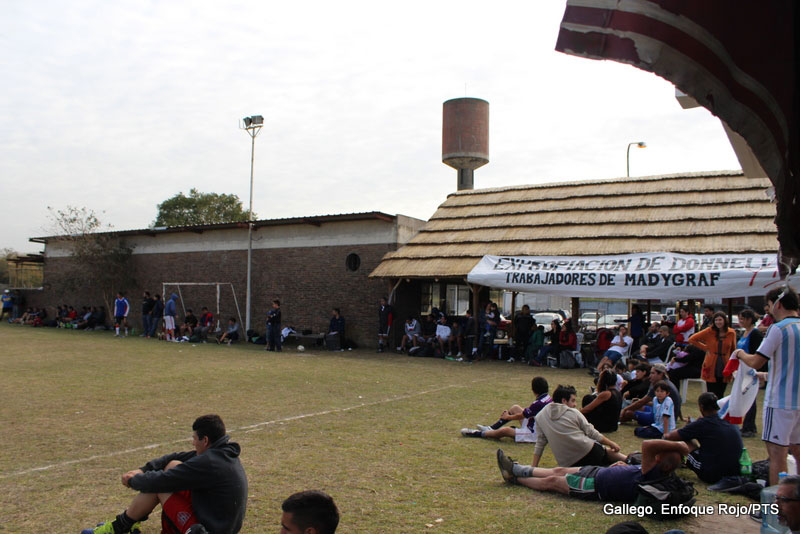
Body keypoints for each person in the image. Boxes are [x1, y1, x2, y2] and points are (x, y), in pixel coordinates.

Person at [80, 414, 247, 534]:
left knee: (160, 486)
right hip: (217, 521)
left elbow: (161, 481)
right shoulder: (220, 452)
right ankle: (126, 524)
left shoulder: (209, 463)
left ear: (205, 440)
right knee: (172, 465)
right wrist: (144, 470)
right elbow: (175, 457)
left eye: (194, 438)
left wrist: (133, 481)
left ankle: (119, 527)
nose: (192, 442)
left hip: (208, 529)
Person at [733, 285, 800, 486]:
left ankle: (777, 507)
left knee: (777, 455)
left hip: (780, 403)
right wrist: (768, 375)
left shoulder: (778, 329)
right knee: (797, 452)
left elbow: (755, 361)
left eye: (769, 305)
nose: (768, 310)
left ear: (777, 304)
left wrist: (739, 353)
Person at [496, 439, 689, 503]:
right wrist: (626, 467)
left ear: (659, 460)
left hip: (595, 486)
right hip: (598, 472)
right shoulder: (657, 470)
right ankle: (516, 468)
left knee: (553, 482)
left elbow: (648, 444)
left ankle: (514, 478)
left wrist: (680, 446)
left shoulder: (653, 472)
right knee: (559, 470)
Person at [531, 384, 626, 467]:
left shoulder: (540, 416)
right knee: (606, 452)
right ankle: (630, 460)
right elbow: (592, 433)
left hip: (568, 464)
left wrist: (533, 467)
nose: (575, 404)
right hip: (591, 452)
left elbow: (540, 443)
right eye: (573, 401)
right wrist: (611, 443)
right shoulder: (573, 412)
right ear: (564, 401)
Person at [663, 391, 743, 483]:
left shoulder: (703, 423)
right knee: (690, 440)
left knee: (682, 446)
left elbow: (670, 436)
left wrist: (689, 427)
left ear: (701, 407)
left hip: (712, 474)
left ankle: (681, 461)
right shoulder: (728, 419)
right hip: (735, 470)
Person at [461, 376, 552, 441]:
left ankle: (476, 433)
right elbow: (530, 412)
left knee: (505, 430)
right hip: (536, 426)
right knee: (515, 408)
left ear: (534, 390)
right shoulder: (548, 398)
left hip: (533, 434)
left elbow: (522, 415)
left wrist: (507, 417)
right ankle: (491, 428)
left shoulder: (538, 403)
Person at [687, 311, 736, 398]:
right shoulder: (709, 331)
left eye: (720, 320)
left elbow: (733, 349)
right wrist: (705, 348)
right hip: (711, 363)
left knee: (721, 391)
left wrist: (733, 365)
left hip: (724, 364)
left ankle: (719, 409)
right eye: (716, 320)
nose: (718, 322)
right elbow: (692, 339)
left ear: (724, 321)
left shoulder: (731, 333)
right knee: (711, 391)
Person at [737, 308, 765, 437]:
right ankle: (746, 425)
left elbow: (757, 353)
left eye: (742, 319)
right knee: (744, 397)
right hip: (742, 369)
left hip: (751, 370)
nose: (740, 321)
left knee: (751, 397)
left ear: (749, 319)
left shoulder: (755, 334)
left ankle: (750, 427)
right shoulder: (745, 333)